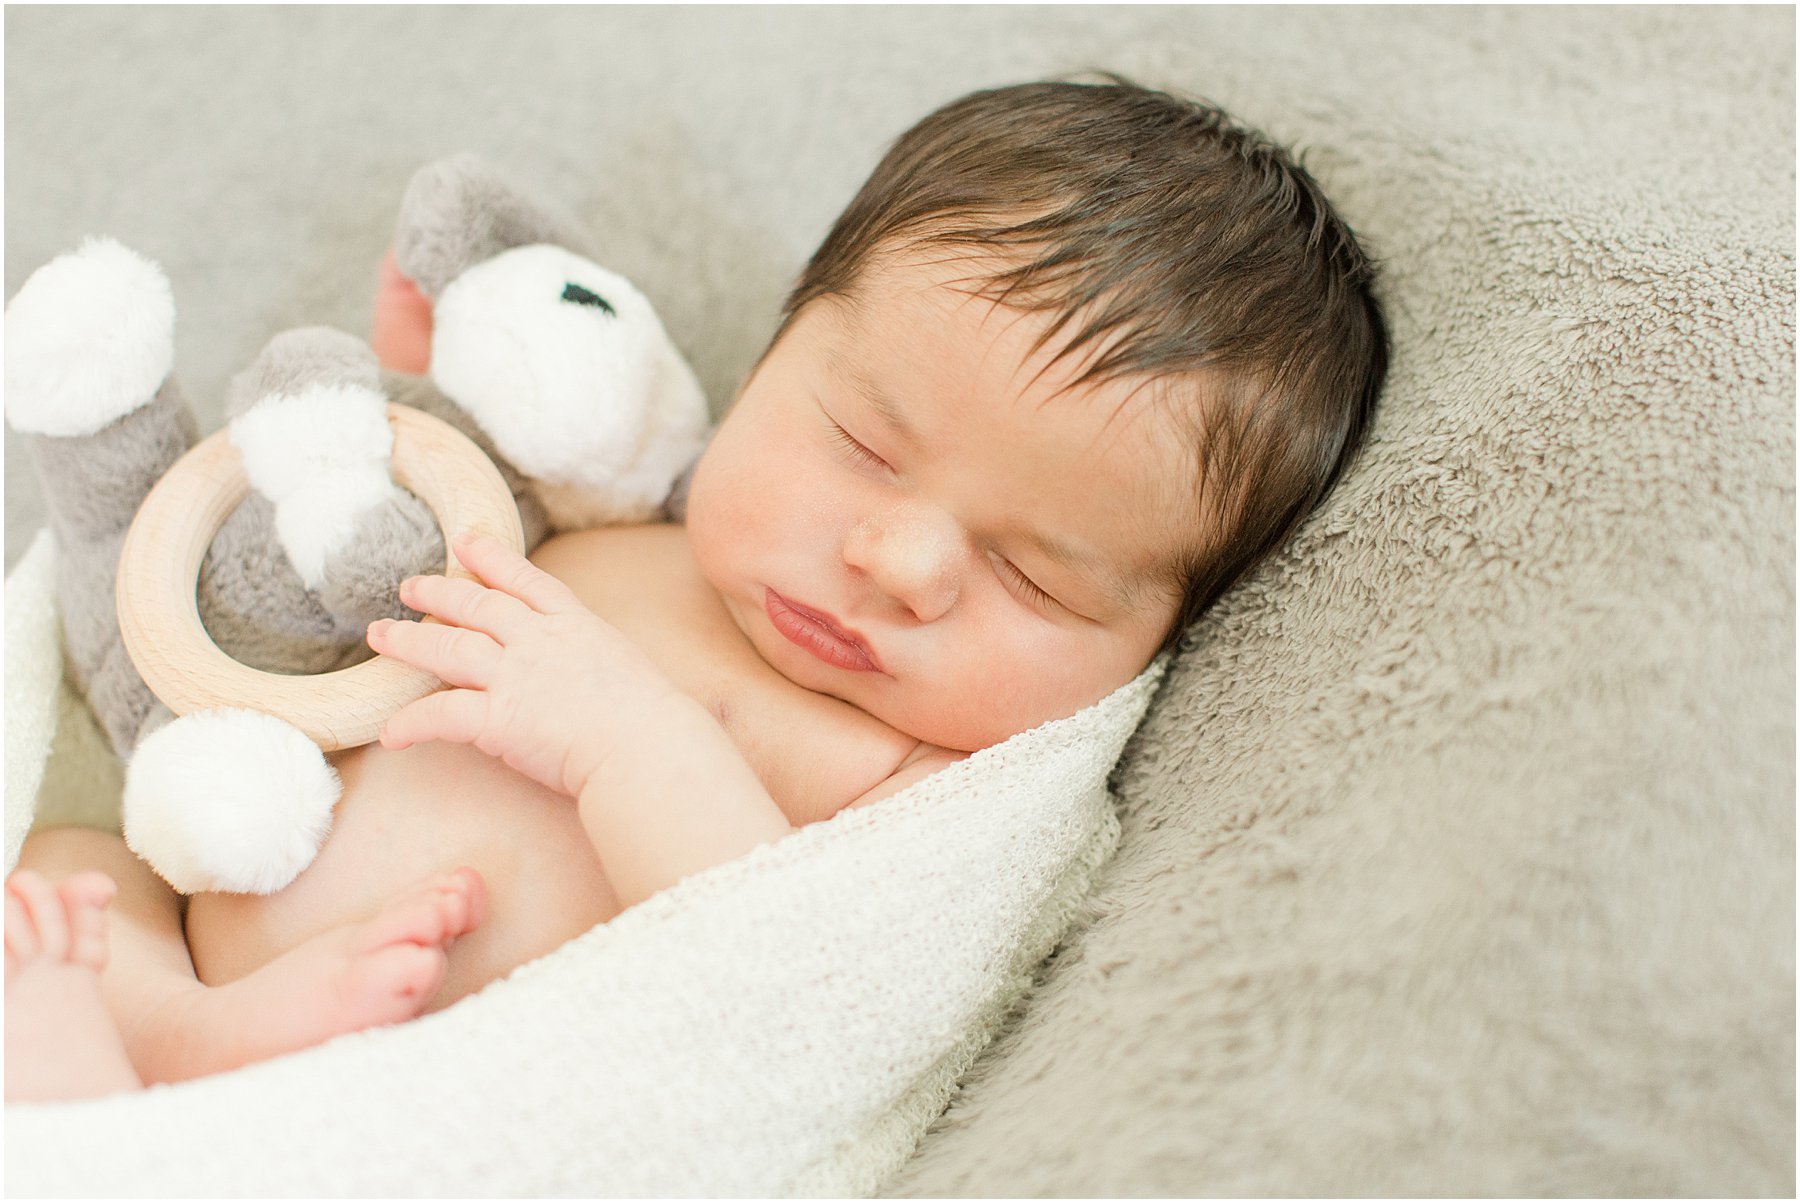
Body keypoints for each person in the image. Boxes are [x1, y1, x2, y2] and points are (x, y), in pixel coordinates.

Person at [3, 76, 1386, 1102]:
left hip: (455, 1083)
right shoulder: (623, 522)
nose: (897, 564)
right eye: (862, 444)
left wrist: (632, 739)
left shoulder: (905, 773)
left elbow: (809, 994)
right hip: (206, 911)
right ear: (782, 342)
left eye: (1035, 573)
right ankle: (172, 1027)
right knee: (70, 870)